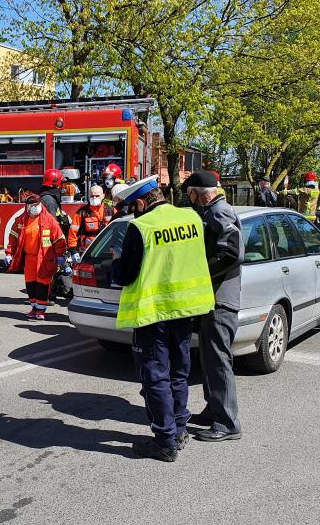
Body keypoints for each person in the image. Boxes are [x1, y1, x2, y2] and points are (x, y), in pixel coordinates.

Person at [112, 176, 216, 462]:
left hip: (154, 313)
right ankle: (179, 429)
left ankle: (165, 442)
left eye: (133, 207)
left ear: (143, 202)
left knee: (156, 377)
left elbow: (126, 274)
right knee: (179, 372)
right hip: (185, 310)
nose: (133, 212)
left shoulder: (141, 226)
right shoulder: (192, 218)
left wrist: (117, 262)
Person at [183, 171, 244, 441]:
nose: (189, 199)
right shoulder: (213, 211)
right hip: (213, 300)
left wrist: (201, 273)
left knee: (218, 361)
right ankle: (214, 410)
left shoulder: (219, 212)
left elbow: (232, 252)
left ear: (198, 192)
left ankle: (227, 423)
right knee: (209, 359)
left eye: (190, 194)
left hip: (221, 301)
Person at [5, 194, 67, 321]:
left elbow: (59, 239)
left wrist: (60, 255)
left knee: (43, 284)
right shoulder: (21, 220)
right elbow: (13, 238)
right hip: (29, 259)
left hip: (44, 258)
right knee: (30, 284)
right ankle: (34, 308)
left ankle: (41, 310)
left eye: (37, 205)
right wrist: (9, 253)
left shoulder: (49, 220)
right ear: (27, 206)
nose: (35, 207)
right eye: (32, 205)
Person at [68, 185, 111, 263]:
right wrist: (73, 250)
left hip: (106, 252)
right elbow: (72, 232)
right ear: (88, 196)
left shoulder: (110, 210)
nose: (94, 198)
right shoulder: (82, 212)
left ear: (103, 196)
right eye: (92, 196)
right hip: (87, 253)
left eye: (97, 196)